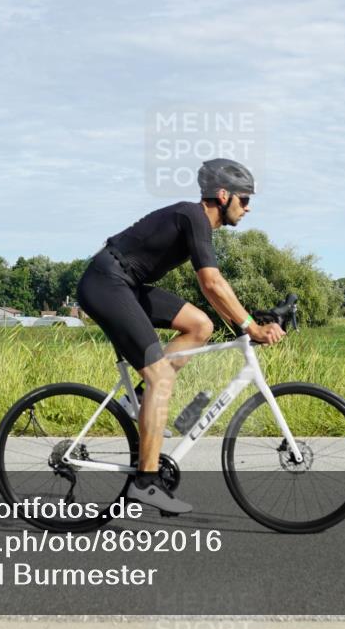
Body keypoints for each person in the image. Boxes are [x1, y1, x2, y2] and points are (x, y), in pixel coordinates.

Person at [75, 158, 286, 514]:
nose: (249, 209)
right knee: (160, 377)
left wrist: (248, 318)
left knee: (200, 325)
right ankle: (145, 481)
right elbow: (211, 281)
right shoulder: (193, 215)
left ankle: (138, 401)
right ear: (223, 196)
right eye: (245, 200)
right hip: (105, 282)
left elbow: (214, 293)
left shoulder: (196, 222)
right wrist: (250, 326)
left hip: (127, 283)